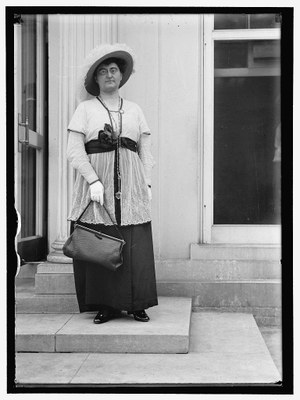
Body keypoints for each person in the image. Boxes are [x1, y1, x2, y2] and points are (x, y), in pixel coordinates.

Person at [66, 43, 158, 324]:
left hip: (131, 186)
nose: (109, 75)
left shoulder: (134, 110)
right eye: (103, 71)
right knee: (100, 242)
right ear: (96, 79)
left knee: (133, 242)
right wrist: (93, 180)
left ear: (121, 76)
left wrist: (147, 183)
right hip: (98, 185)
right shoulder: (85, 109)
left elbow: (145, 149)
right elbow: (74, 150)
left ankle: (136, 303)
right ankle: (105, 305)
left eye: (114, 70)